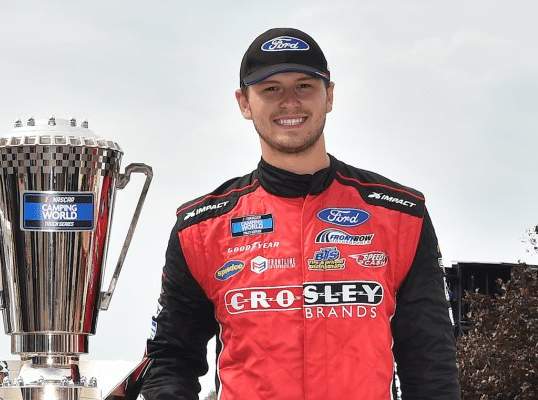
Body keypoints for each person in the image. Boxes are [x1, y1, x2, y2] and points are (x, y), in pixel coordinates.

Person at [140, 28, 459, 400]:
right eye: (271, 88)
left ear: (329, 96)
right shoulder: (201, 229)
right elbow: (170, 362)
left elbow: (431, 367)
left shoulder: (401, 216)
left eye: (304, 86)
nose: (289, 102)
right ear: (244, 103)